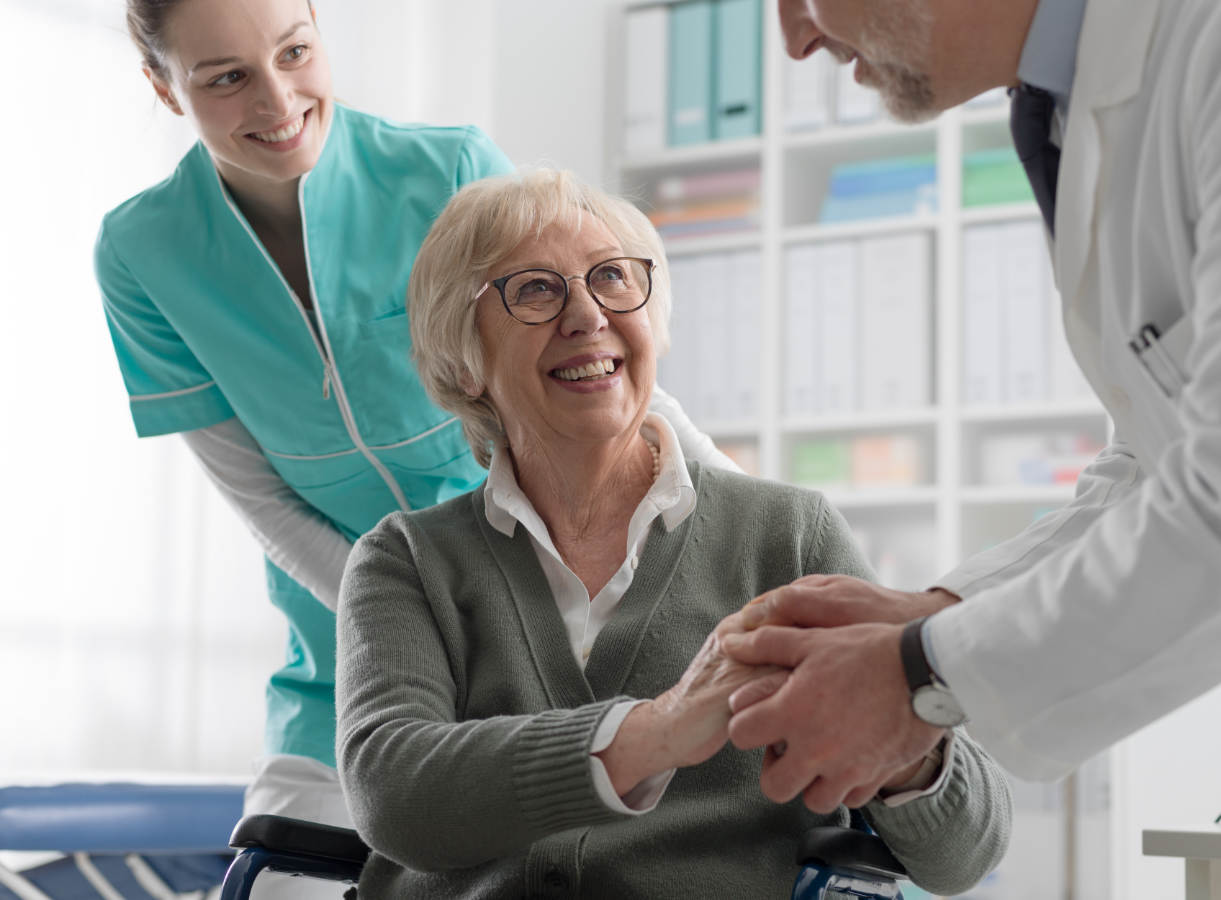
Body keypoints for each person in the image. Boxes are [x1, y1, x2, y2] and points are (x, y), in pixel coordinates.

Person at [95, 1, 729, 895]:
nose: (277, 98)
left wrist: (763, 536)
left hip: (551, 624)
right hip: (343, 651)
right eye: (225, 75)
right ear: (165, 87)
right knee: (277, 880)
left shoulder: (448, 170)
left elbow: (613, 383)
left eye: (295, 52)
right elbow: (264, 504)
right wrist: (399, 626)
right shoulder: (140, 251)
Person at [335, 168, 1011, 898]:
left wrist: (899, 744)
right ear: (464, 359)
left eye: (613, 278)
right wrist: (658, 732)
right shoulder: (404, 560)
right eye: (534, 289)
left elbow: (964, 851)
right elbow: (394, 794)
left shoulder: (784, 536)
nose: (586, 315)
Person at [721, 0, 1221, 814]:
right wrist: (941, 614)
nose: (794, 37)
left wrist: (921, 673)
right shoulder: (1070, 105)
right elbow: (1159, 451)